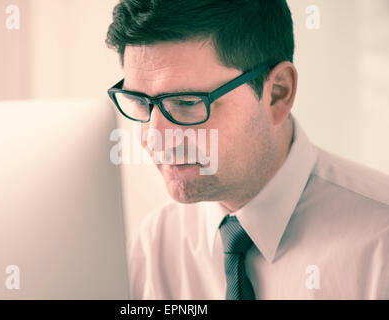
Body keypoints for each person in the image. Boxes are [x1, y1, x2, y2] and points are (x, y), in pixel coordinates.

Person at [105, 0, 389, 299]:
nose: (155, 139)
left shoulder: (380, 244)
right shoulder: (154, 246)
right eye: (139, 102)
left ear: (278, 93)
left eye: (188, 103)